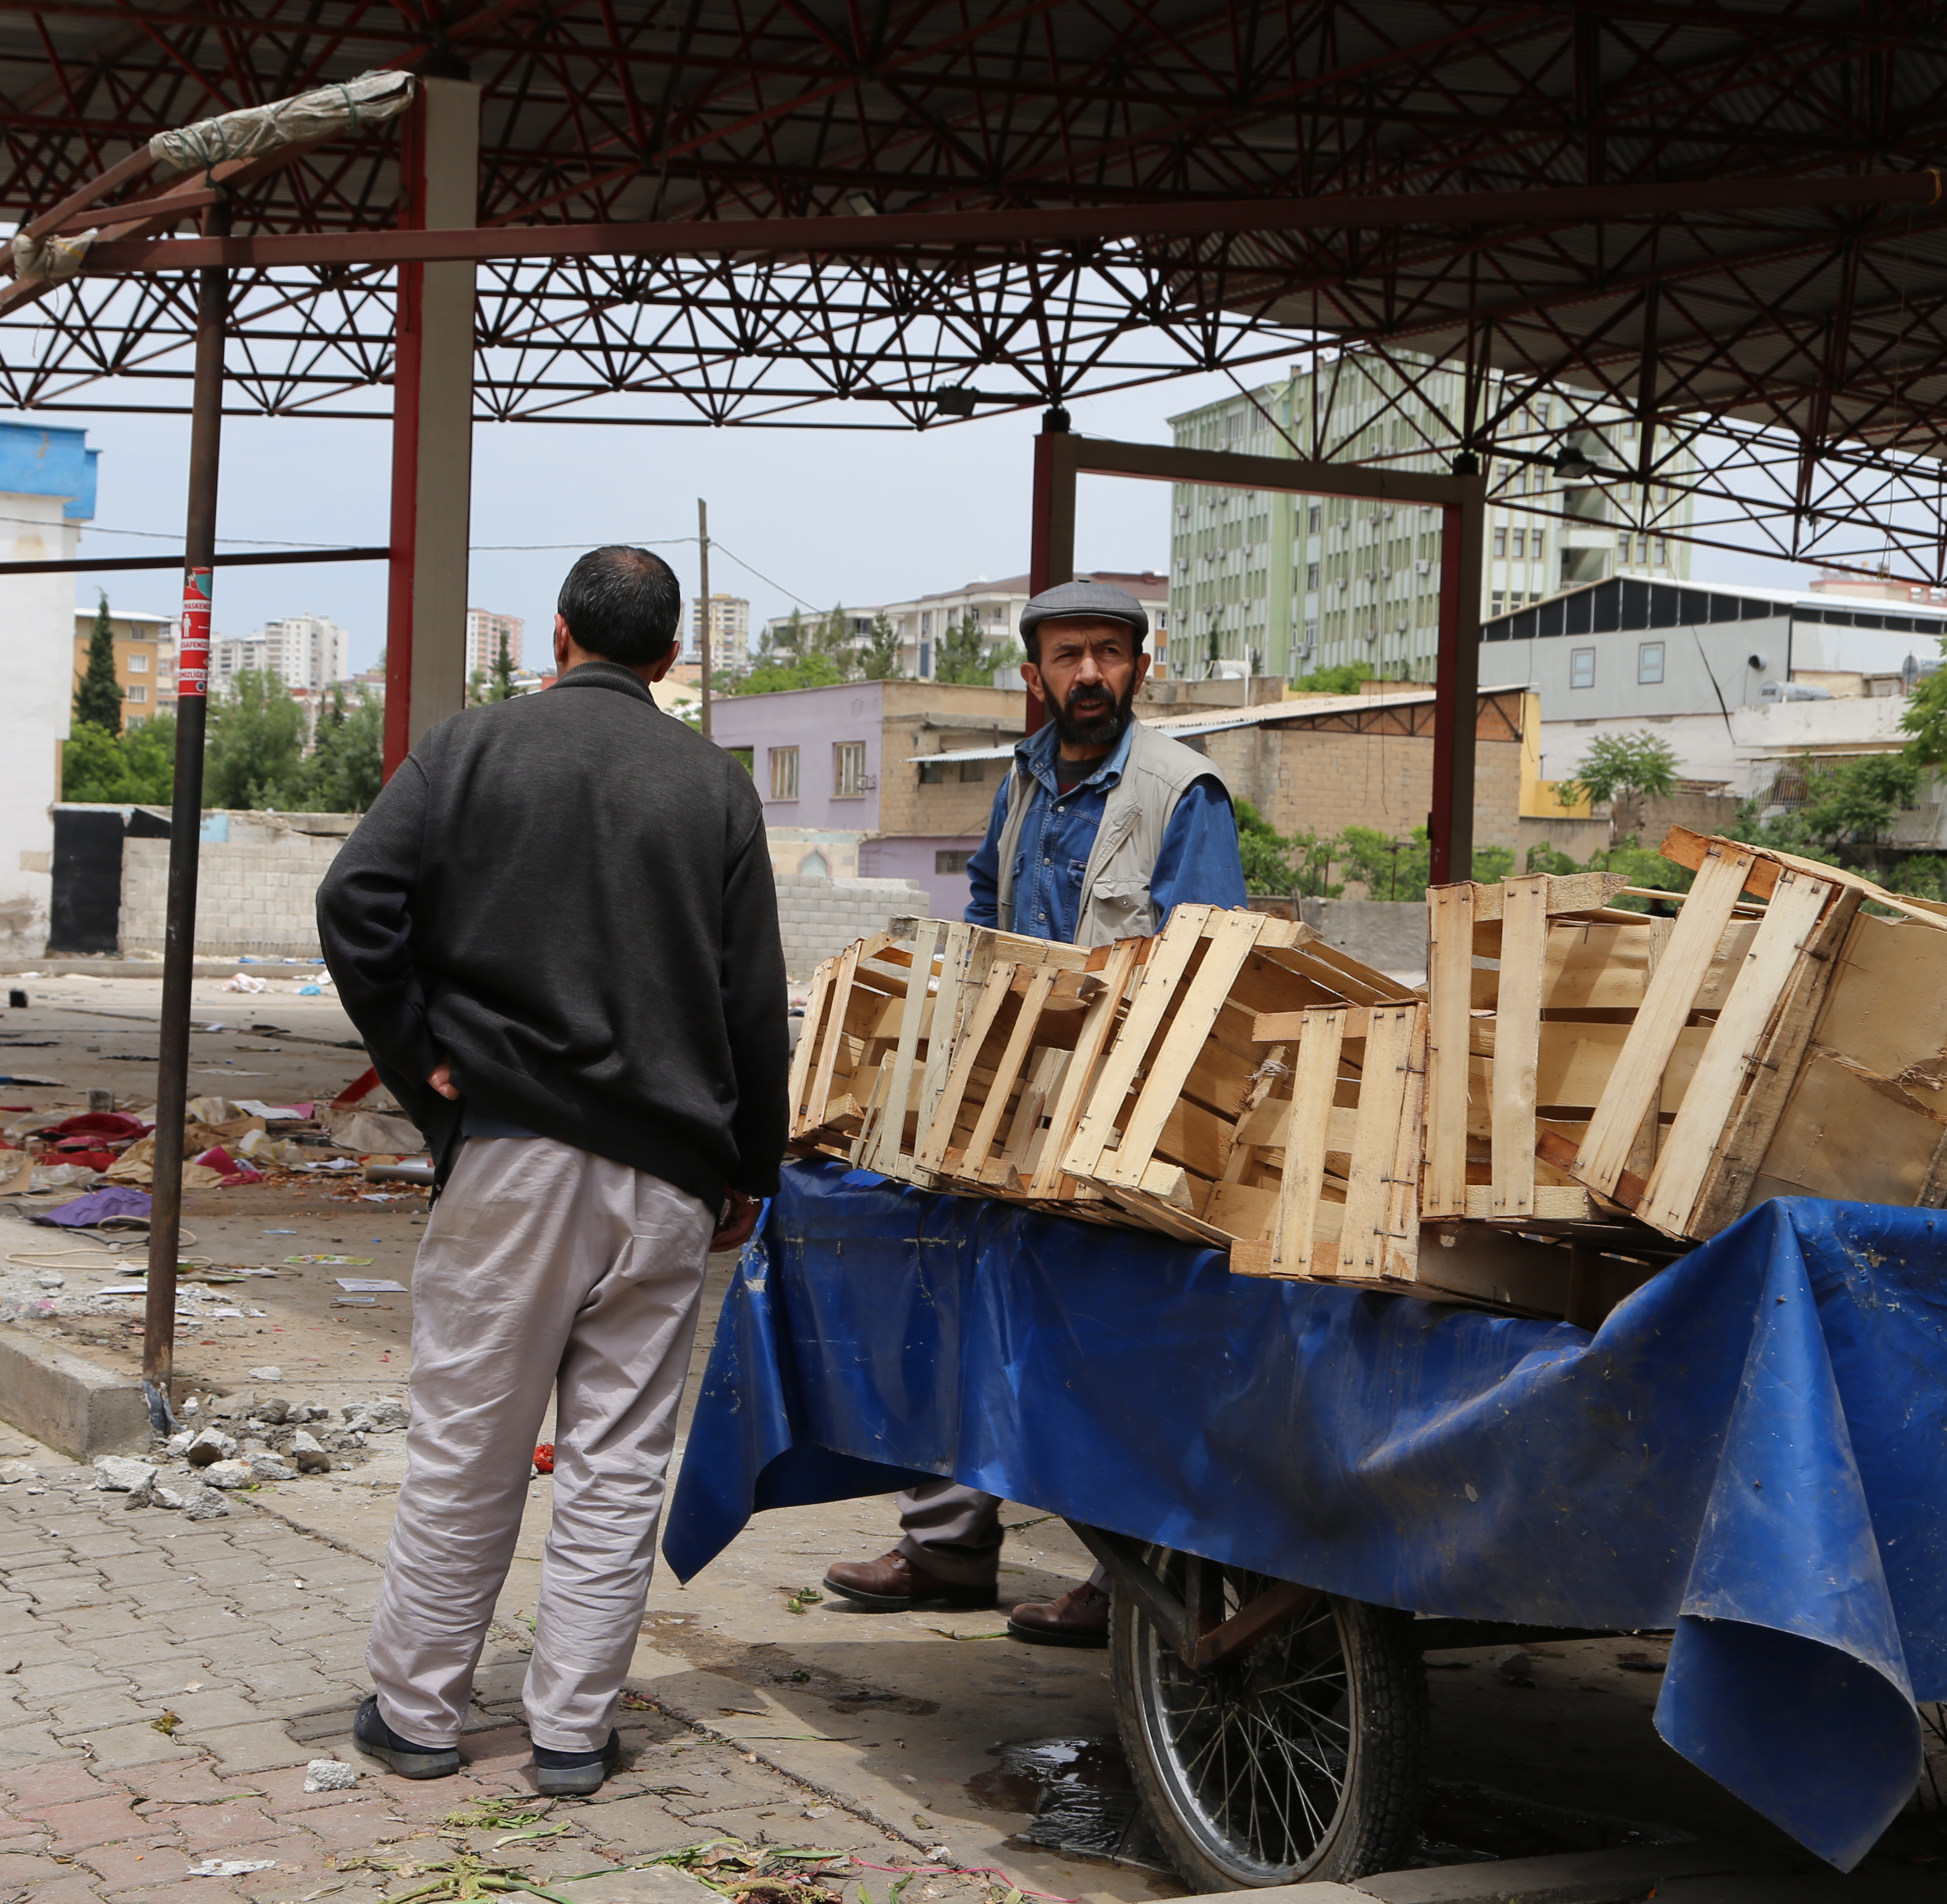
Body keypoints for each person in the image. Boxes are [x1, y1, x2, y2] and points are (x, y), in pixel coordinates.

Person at [317, 545, 786, 1797]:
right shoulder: (713, 788)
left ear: (559, 640)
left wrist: (426, 1070)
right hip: (666, 1183)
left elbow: (354, 900)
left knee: (470, 1445)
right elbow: (753, 1000)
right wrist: (751, 1162)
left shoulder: (469, 749)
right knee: (618, 1461)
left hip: (514, 1158)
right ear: (669, 659)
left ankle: (416, 1718)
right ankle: (570, 1737)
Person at [820, 576, 1248, 1645]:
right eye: (1069, 656)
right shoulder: (1020, 780)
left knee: (1111, 1342)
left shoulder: (1178, 791)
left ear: (1142, 667)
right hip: (1012, 1105)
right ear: (1034, 674)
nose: (1091, 674)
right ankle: (948, 1546)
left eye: (1111, 653)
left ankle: (1123, 1580)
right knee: (958, 1299)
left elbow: (1214, 960)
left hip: (1123, 1120)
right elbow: (983, 910)